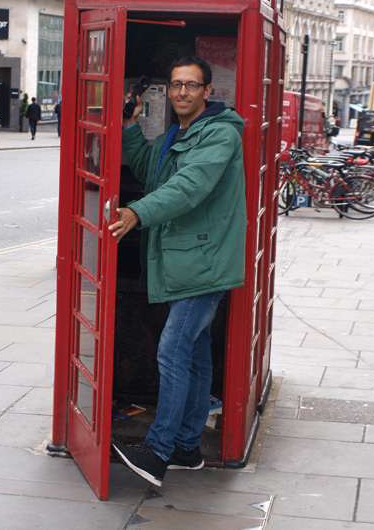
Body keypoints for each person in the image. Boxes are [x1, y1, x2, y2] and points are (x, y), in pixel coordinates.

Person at [106, 55, 246, 487]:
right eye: (175, 85)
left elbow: (191, 186)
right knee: (197, 352)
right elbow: (153, 173)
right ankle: (187, 446)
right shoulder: (178, 132)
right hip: (188, 259)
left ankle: (159, 449)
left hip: (203, 262)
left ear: (208, 91)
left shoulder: (220, 134)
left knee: (172, 350)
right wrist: (131, 126)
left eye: (191, 84)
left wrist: (137, 214)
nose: (182, 92)